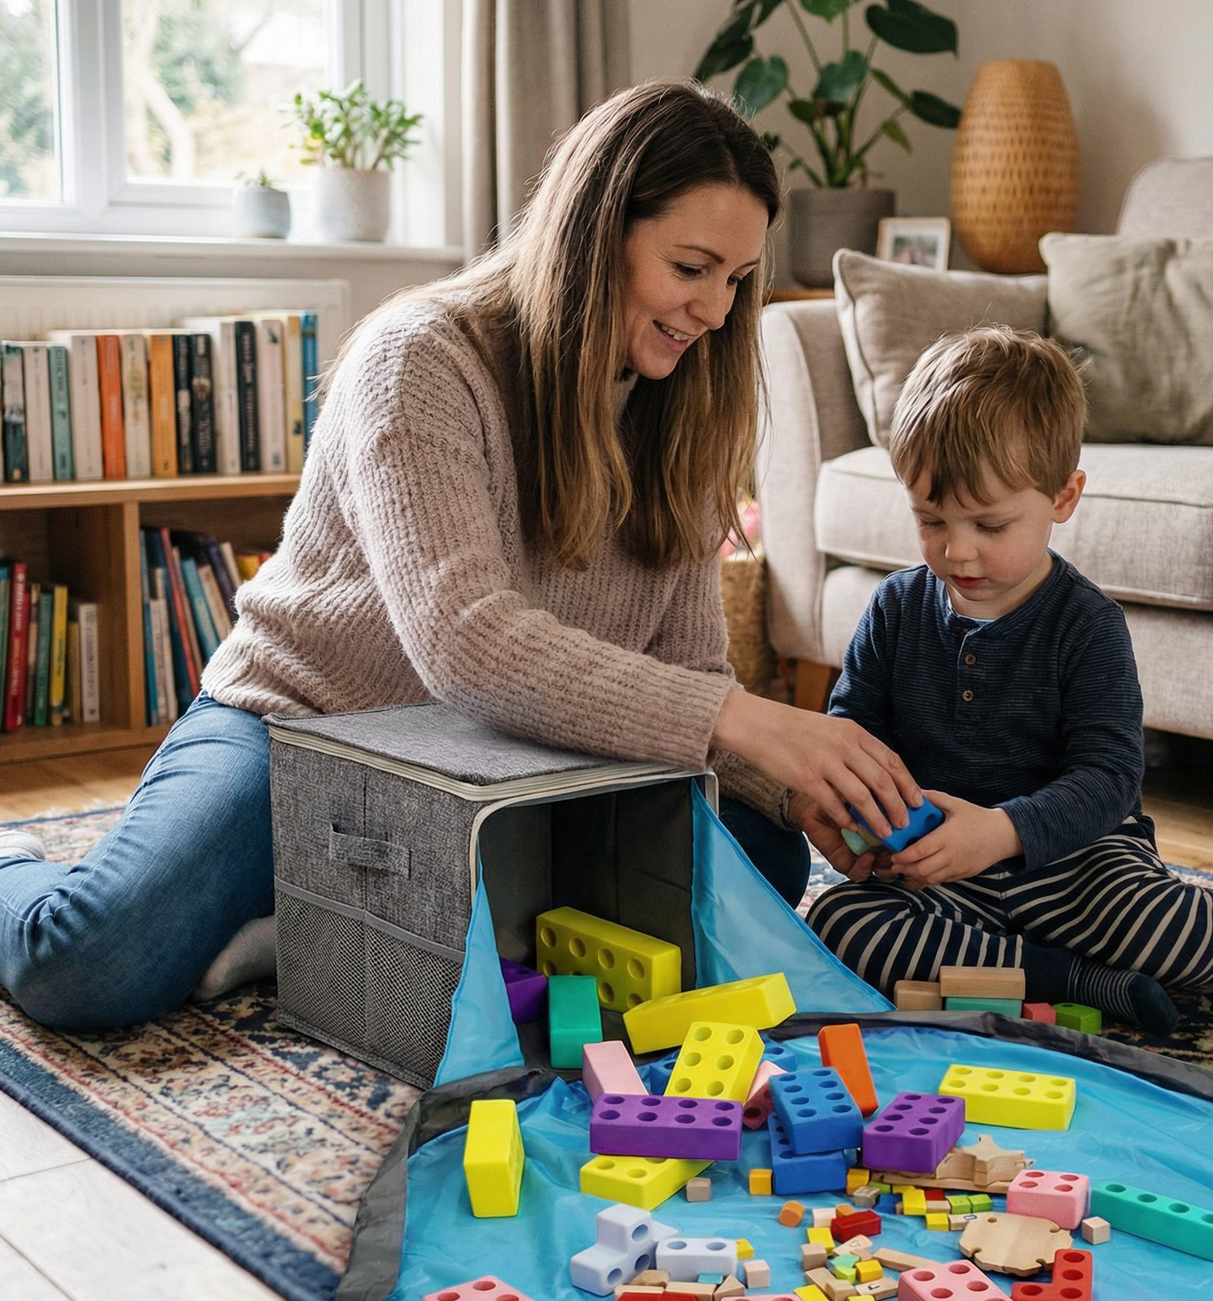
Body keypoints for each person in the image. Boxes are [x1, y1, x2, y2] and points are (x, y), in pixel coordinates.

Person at [0, 80, 923, 1031]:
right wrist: (753, 722)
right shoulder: (421, 357)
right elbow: (467, 643)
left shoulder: (680, 407)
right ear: (596, 232)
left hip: (510, 759)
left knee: (763, 857)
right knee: (85, 963)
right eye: (691, 267)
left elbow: (682, 672)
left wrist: (806, 790)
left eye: (735, 278)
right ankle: (328, 913)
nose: (714, 311)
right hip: (306, 727)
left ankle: (325, 925)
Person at [802, 327, 1213, 1033]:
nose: (955, 548)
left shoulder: (1084, 622)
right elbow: (850, 734)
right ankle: (1076, 981)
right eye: (929, 519)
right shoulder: (894, 608)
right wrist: (853, 816)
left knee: (1153, 920)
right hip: (945, 876)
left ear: (1063, 497)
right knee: (835, 920)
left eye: (988, 522)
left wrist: (1004, 829)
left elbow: (1108, 778)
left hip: (1076, 864)